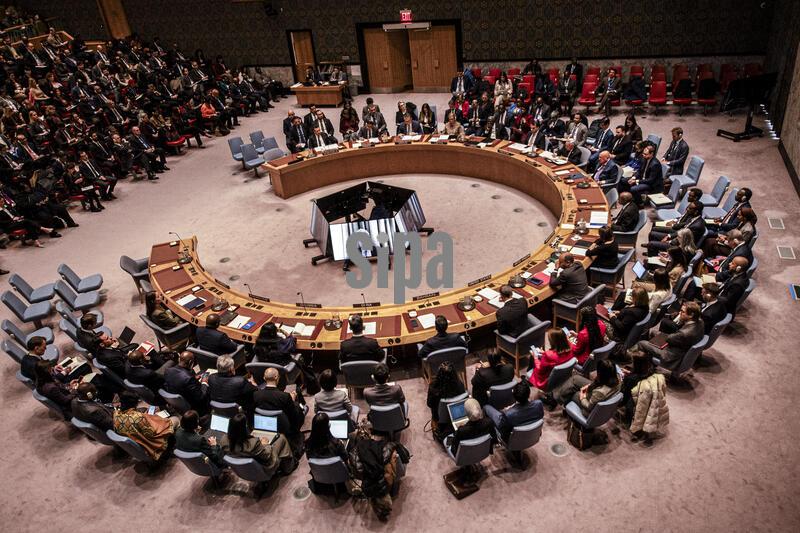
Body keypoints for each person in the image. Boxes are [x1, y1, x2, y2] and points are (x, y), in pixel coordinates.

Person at [347, 419, 407, 522]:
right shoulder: (385, 448)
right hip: (381, 482)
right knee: (397, 461)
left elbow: (356, 472)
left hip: (371, 484)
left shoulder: (354, 454)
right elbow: (393, 448)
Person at [221, 412, 295, 486]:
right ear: (243, 428)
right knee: (281, 438)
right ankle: (289, 467)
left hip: (247, 469)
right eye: (246, 425)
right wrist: (265, 444)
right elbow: (267, 455)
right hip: (267, 464)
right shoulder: (253, 443)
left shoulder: (224, 440)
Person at [637, 302, 705, 371]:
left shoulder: (684, 333)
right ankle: (648, 361)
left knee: (642, 343)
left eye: (682, 312)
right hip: (679, 347)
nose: (679, 313)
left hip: (671, 355)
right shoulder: (700, 321)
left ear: (691, 315)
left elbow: (669, 339)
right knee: (652, 332)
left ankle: (641, 369)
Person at [113, 391, 176, 461]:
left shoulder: (116, 414)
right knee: (173, 420)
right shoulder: (138, 417)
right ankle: (173, 447)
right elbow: (152, 433)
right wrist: (158, 420)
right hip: (148, 444)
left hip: (137, 443)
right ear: (135, 403)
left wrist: (145, 416)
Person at [253, 368, 306, 438]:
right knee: (297, 403)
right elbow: (293, 415)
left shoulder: (256, 394)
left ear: (264, 378)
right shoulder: (285, 396)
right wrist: (292, 400)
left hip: (266, 424)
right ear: (277, 377)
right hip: (284, 426)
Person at [553, 358, 621, 413]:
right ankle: (559, 396)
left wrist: (583, 395)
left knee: (572, 391)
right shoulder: (617, 378)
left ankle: (557, 398)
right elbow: (598, 385)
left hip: (589, 407)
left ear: (603, 374)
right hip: (597, 391)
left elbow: (589, 407)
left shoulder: (600, 392)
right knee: (575, 378)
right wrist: (589, 386)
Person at [426, 361, 466, 437]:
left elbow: (429, 404)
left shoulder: (433, 387)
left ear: (438, 374)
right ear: (454, 373)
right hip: (457, 414)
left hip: (440, 418)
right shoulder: (460, 385)